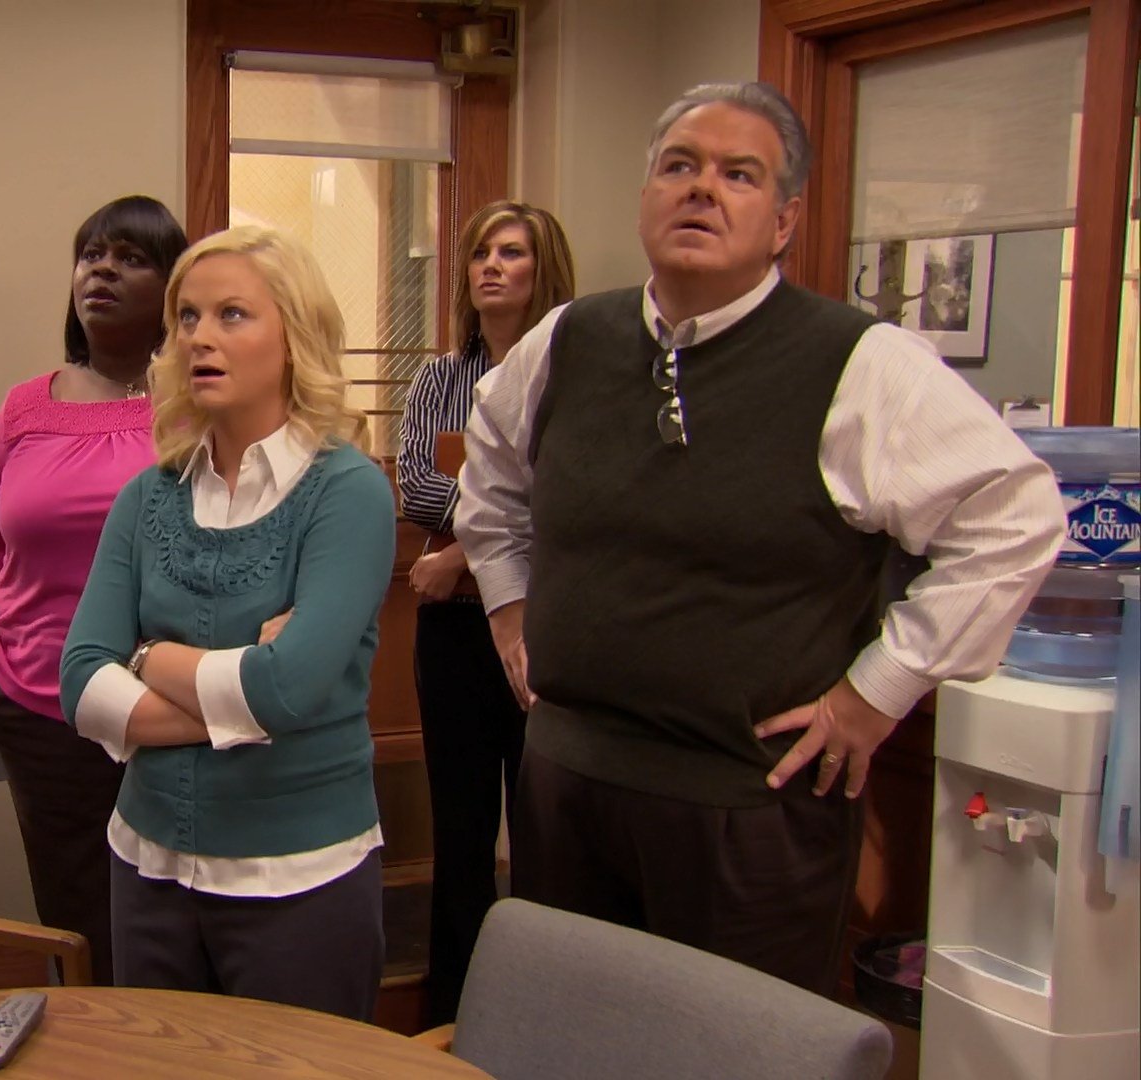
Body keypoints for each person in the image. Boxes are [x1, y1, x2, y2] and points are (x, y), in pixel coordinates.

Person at [454, 81, 1064, 993]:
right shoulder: (565, 341)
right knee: (566, 1042)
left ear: (784, 221)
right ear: (646, 195)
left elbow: (1016, 520)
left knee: (734, 1049)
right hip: (568, 792)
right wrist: (509, 608)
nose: (702, 188)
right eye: (680, 167)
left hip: (750, 815)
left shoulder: (862, 365)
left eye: (739, 175)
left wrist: (876, 692)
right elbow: (492, 478)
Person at [61, 225, 396, 1021]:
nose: (199, 338)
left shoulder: (348, 492)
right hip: (148, 868)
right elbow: (79, 683)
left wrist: (146, 657)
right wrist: (240, 695)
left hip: (299, 879)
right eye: (187, 317)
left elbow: (286, 689)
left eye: (232, 315)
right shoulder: (148, 496)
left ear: (294, 335)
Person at [0, 195, 186, 984]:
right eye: (91, 255)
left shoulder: (197, 407)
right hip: (40, 709)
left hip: (172, 707)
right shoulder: (25, 409)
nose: (101, 270)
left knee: (173, 915)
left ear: (173, 288)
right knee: (77, 914)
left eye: (130, 257)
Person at [395, 199, 574, 1026]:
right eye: (479, 254)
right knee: (461, 832)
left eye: (512, 252)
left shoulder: (572, 372)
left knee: (545, 835)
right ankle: (452, 1013)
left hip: (544, 628)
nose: (491, 266)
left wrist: (463, 551)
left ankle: (540, 1017)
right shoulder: (441, 379)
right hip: (452, 634)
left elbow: (568, 500)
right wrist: (500, 513)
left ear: (546, 269)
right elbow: (417, 486)